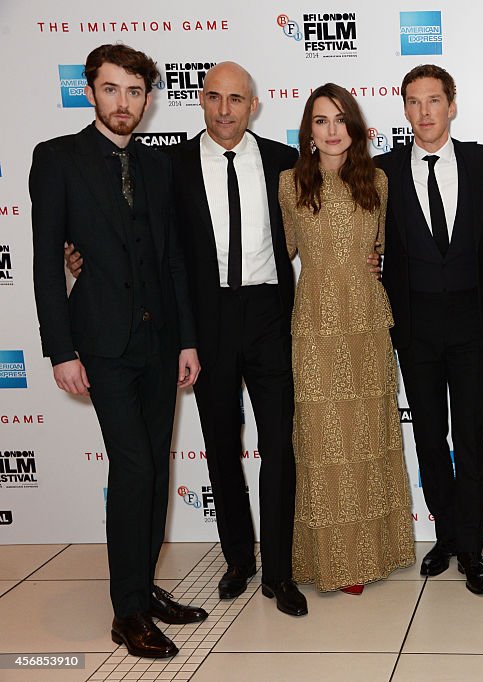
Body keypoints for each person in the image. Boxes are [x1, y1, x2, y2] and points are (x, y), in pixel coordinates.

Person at [66, 62, 307, 617]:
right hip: (201, 321)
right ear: (200, 100)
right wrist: (76, 254)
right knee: (221, 446)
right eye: (216, 98)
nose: (226, 110)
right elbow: (127, 231)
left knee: (279, 445)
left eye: (237, 100)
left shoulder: (282, 161)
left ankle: (280, 571)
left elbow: (326, 222)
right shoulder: (165, 165)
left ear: (254, 105)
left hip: (270, 314)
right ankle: (239, 561)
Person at [30, 43, 206, 658]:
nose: (123, 103)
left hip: (159, 344)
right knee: (133, 467)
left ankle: (142, 586)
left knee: (155, 467)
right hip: (100, 345)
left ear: (148, 98)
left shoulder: (157, 167)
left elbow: (174, 262)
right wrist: (60, 350)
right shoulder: (57, 159)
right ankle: (125, 610)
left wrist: (186, 337)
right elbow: (47, 263)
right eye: (111, 89)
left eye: (135, 91)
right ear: (90, 91)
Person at [279, 83, 415, 593]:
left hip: (366, 323)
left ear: (354, 128)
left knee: (367, 437)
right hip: (314, 325)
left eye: (340, 119)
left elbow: (386, 251)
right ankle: (330, 560)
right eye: (321, 121)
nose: (332, 130)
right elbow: (274, 255)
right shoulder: (290, 184)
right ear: (308, 131)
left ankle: (373, 553)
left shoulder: (376, 182)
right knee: (320, 443)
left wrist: (377, 263)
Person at [375, 65, 483, 594]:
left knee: (470, 438)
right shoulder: (381, 171)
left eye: (434, 100)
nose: (424, 112)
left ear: (452, 105)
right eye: (413, 102)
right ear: (404, 109)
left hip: (474, 325)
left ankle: (472, 549)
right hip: (414, 327)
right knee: (429, 435)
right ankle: (445, 534)